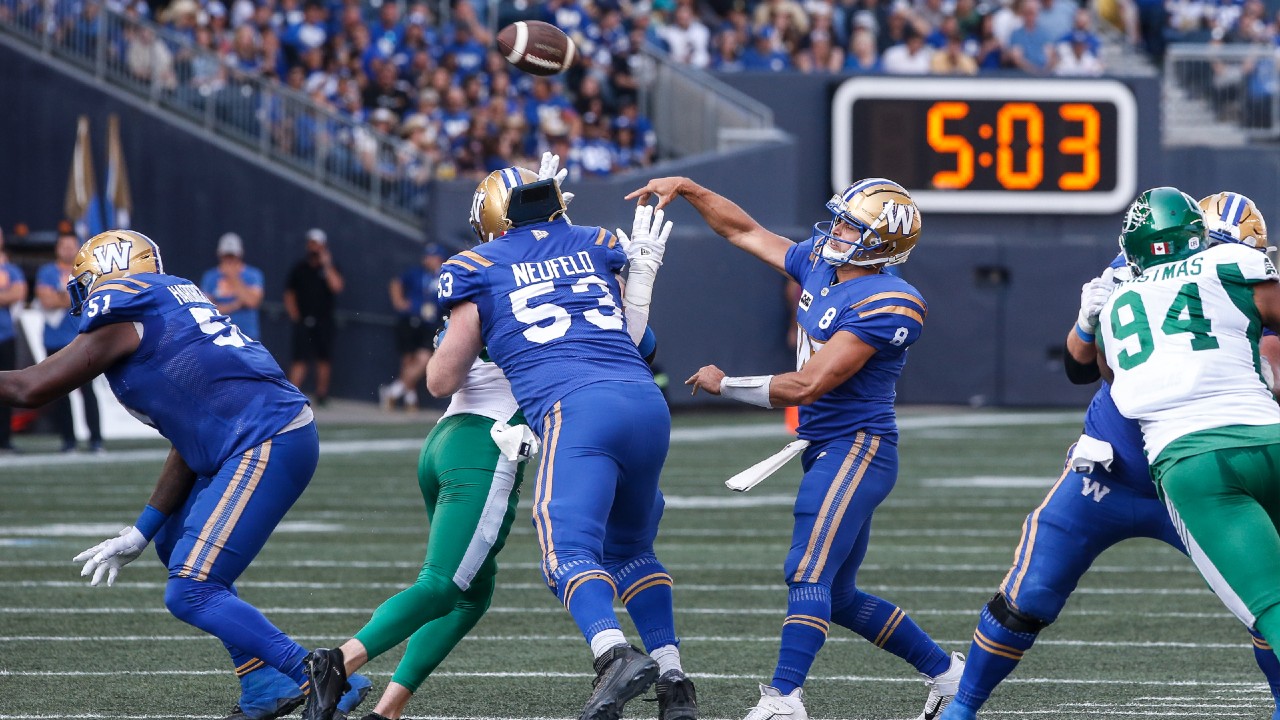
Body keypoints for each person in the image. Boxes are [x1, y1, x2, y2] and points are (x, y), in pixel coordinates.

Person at [304, 164, 693, 720]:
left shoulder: (477, 270)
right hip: (501, 439)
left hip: (453, 436)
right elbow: (638, 343)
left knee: (469, 595)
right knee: (456, 583)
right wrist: (629, 282)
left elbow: (440, 381)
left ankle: (385, 711)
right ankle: (337, 663)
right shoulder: (595, 248)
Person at [626, 176, 963, 720]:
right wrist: (690, 190)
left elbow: (808, 385)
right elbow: (745, 231)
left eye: (852, 224)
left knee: (807, 571)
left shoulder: (890, 301)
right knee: (842, 596)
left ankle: (784, 698)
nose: (837, 230)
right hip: (826, 443)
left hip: (858, 447)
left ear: (881, 241)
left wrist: (726, 383)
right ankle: (950, 676)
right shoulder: (821, 265)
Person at [937, 190, 1280, 720]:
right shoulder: (1142, 273)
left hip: (1192, 476)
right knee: (1026, 599)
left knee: (1265, 602)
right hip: (1114, 474)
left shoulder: (1216, 279)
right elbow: (1083, 366)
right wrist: (1083, 325)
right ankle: (960, 708)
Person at [0, 230, 370, 720]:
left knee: (191, 589)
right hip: (252, 435)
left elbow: (30, 387)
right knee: (174, 545)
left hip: (266, 438)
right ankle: (261, 684)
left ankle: (315, 673)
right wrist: (142, 529)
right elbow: (189, 437)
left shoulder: (125, 318)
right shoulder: (162, 309)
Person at [1095, 187, 1280, 661]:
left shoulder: (1116, 302)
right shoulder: (1231, 261)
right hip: (1269, 433)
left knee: (1272, 606)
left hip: (1194, 461)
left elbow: (1109, 377)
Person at [35, 228, 103, 453]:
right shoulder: (47, 271)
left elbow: (91, 298)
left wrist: (62, 296)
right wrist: (71, 297)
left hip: (82, 338)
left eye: (71, 246)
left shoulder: (87, 271)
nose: (68, 250)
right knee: (60, 393)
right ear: (57, 249)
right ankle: (68, 440)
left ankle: (95, 439)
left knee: (88, 391)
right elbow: (47, 301)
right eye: (64, 246)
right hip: (55, 339)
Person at [378, 243, 445, 412]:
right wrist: (399, 302)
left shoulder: (445, 275)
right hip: (410, 319)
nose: (428, 260)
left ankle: (393, 391)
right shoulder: (416, 273)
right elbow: (396, 283)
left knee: (423, 359)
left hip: (430, 323)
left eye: (432, 256)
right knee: (408, 359)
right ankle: (409, 398)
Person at [284, 228, 344, 406]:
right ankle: (292, 394)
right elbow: (289, 293)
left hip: (324, 321)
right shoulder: (299, 268)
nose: (314, 248)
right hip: (303, 320)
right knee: (299, 358)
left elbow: (337, 287)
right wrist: (295, 315)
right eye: (312, 243)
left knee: (323, 359)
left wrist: (327, 265)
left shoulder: (330, 268)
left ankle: (322, 394)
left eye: (317, 244)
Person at [200, 232, 265, 340]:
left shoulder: (253, 275)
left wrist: (234, 278)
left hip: (247, 335)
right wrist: (236, 305)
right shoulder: (210, 277)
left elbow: (252, 301)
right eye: (226, 256)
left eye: (232, 256)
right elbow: (206, 309)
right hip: (218, 335)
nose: (229, 261)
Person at [0, 226, 27, 453]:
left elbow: (18, 293)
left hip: (5, 335)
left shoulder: (10, 269)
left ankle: (5, 438)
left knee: (6, 388)